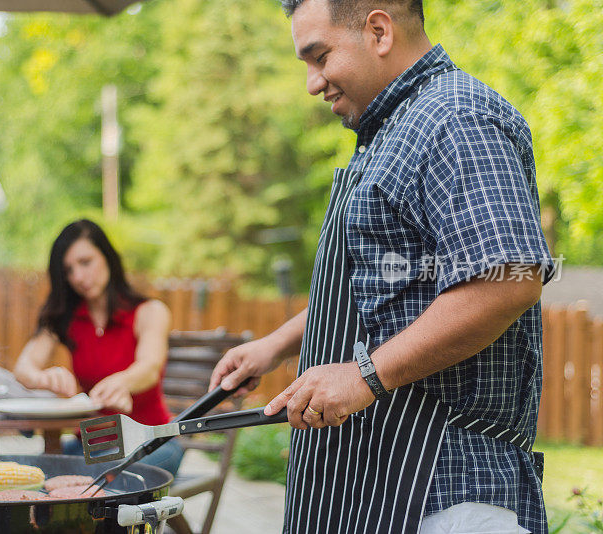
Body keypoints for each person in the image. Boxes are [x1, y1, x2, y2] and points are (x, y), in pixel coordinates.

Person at [209, 1, 554, 532]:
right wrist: (277, 343)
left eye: (319, 56)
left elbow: (506, 280)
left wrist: (366, 375)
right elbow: (396, 284)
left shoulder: (455, 118)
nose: (312, 82)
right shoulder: (392, 132)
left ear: (378, 30)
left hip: (444, 486)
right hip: (379, 481)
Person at [14, 219, 184, 476]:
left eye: (85, 262)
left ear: (107, 257)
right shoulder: (66, 317)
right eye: (69, 270)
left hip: (152, 441)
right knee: (28, 475)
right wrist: (43, 377)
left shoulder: (150, 311)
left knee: (91, 482)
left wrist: (122, 383)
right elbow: (23, 368)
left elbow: (149, 367)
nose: (78, 277)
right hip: (89, 449)